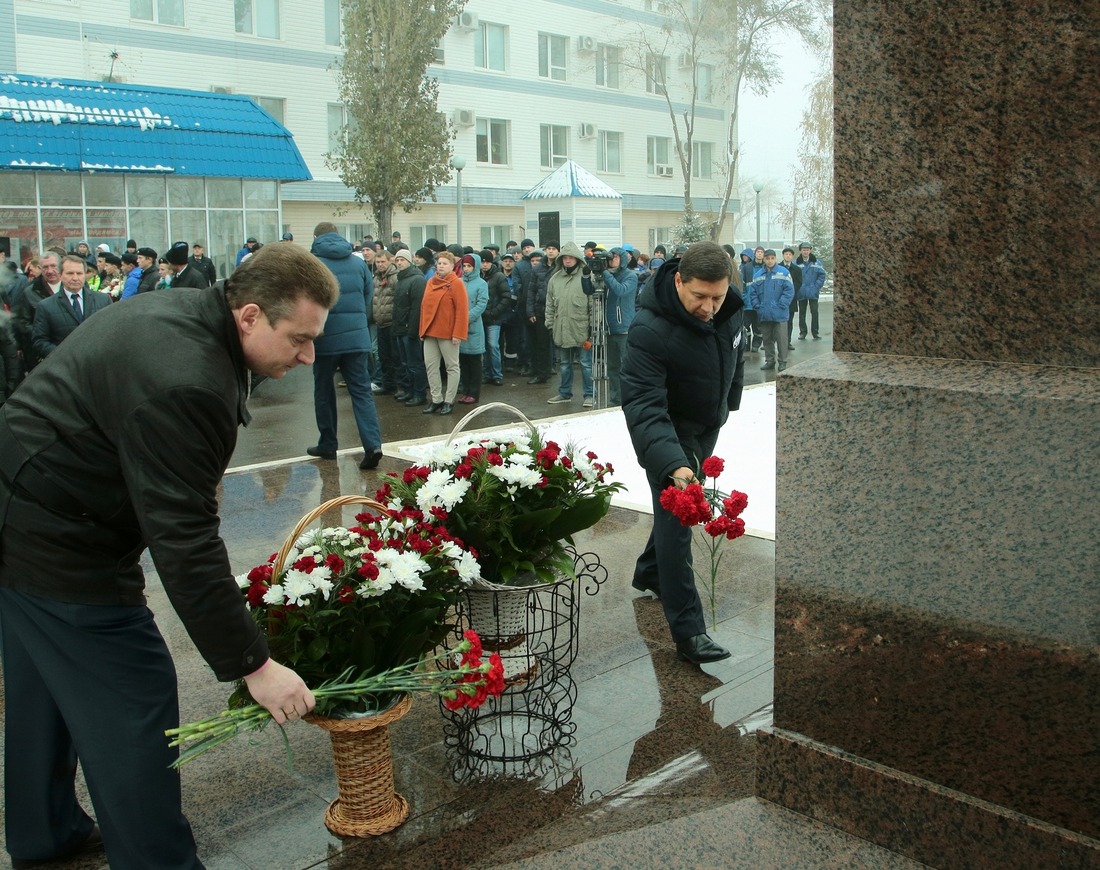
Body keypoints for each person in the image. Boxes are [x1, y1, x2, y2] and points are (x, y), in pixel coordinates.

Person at [0, 243, 338, 868]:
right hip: (58, 537)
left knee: (41, 687)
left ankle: (44, 832)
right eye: (299, 338)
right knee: (134, 696)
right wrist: (254, 663)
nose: (309, 354)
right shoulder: (188, 380)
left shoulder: (191, 314)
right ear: (249, 316)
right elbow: (185, 540)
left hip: (23, 505)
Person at [621, 241, 745, 665]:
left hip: (706, 426)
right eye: (700, 297)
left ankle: (650, 572)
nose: (710, 307)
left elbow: (734, 352)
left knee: (671, 515)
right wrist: (674, 464)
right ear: (678, 281)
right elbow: (643, 406)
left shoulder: (729, 307)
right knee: (678, 523)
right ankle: (689, 633)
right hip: (669, 434)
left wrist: (729, 401)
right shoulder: (648, 330)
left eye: (718, 296)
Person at [307, 222, 384, 471]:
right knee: (361, 391)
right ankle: (373, 445)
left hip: (325, 337)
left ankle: (328, 444)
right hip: (357, 338)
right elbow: (367, 296)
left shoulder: (312, 264)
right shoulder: (358, 262)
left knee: (324, 391)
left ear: (316, 237)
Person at [31, 255, 113, 363]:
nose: (75, 278)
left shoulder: (103, 300)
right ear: (60, 275)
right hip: (64, 368)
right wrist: (63, 355)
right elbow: (40, 341)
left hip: (96, 365)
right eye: (70, 273)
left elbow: (112, 333)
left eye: (79, 273)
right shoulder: (46, 306)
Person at [418, 250, 468, 415]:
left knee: (452, 367)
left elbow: (462, 310)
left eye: (445, 263)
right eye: (439, 263)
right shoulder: (430, 282)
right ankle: (436, 399)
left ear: (452, 266)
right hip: (430, 332)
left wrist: (458, 333)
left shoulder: (456, 283)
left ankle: (449, 400)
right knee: (431, 366)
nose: (441, 266)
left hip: (448, 333)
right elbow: (424, 308)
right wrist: (422, 330)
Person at [545, 241, 594, 408]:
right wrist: (550, 324)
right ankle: (564, 393)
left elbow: (593, 305)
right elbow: (550, 304)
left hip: (582, 328)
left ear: (577, 259)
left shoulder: (587, 277)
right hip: (561, 328)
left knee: (586, 364)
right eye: (564, 258)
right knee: (564, 364)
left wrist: (593, 326)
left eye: (570, 258)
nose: (567, 261)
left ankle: (589, 394)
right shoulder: (555, 279)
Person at [598, 246, 639, 406]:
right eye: (609, 258)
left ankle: (631, 398)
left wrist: (606, 275)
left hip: (624, 329)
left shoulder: (630, 276)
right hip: (608, 328)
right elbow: (590, 292)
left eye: (614, 257)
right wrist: (587, 277)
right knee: (613, 367)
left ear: (621, 259)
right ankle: (616, 399)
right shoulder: (607, 275)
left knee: (627, 367)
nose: (610, 260)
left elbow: (621, 290)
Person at [390, 248, 428, 406]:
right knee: (405, 363)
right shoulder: (401, 279)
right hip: (400, 328)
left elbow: (417, 308)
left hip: (409, 329)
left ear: (409, 261)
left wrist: (412, 330)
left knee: (415, 363)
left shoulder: (417, 280)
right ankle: (409, 390)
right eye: (397, 260)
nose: (399, 263)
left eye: (402, 260)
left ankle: (419, 394)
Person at [747, 249, 795, 372]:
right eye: (767, 258)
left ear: (775, 259)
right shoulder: (758, 275)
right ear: (764, 259)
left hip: (780, 313)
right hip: (764, 313)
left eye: (772, 258)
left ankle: (782, 361)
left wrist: (782, 304)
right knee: (767, 339)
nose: (769, 261)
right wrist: (758, 306)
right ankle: (770, 360)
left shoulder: (784, 272)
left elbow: (789, 291)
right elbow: (753, 293)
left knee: (781, 340)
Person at [457, 253, 488, 405]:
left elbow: (481, 304)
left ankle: (474, 393)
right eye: (464, 266)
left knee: (475, 362)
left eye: (469, 266)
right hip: (458, 329)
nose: (467, 269)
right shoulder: (458, 282)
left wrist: (465, 318)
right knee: (463, 361)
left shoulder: (481, 284)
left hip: (473, 326)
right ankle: (465, 390)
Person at [479, 249, 511, 387]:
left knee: (493, 345)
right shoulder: (478, 276)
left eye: (487, 262)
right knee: (484, 347)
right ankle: (487, 374)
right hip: (481, 318)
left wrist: (494, 312)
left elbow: (506, 297)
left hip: (494, 318)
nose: (485, 264)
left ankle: (497, 374)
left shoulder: (499, 277)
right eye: (482, 262)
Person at [795, 242, 827, 340]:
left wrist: (816, 286)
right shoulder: (796, 263)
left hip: (813, 291)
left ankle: (815, 332)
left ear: (810, 251)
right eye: (804, 250)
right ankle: (803, 332)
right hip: (802, 292)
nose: (805, 251)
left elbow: (822, 275)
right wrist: (798, 287)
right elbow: (794, 277)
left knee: (814, 312)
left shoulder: (816, 262)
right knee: (802, 313)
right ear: (801, 250)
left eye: (807, 250)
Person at [781, 247, 803, 347]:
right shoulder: (778, 268)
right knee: (778, 322)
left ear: (792, 256)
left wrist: (790, 292)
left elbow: (799, 283)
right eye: (786, 254)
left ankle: (787, 342)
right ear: (783, 256)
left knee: (789, 321)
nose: (788, 256)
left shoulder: (797, 269)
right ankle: (779, 342)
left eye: (790, 254)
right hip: (779, 298)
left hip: (791, 299)